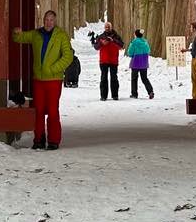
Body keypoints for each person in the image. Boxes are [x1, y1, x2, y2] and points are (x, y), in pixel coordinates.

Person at [12, 11, 75, 150]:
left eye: (51, 20)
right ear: (43, 20)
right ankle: (39, 139)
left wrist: (53, 69)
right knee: (39, 110)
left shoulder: (61, 35)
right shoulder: (36, 34)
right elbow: (20, 38)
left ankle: (53, 140)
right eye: (46, 19)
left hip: (53, 79)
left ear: (55, 21)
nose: (48, 22)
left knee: (52, 110)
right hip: (39, 80)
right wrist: (16, 32)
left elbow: (68, 56)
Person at [89, 22, 124, 101]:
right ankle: (103, 96)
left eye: (108, 27)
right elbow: (96, 47)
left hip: (113, 60)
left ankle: (115, 95)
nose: (107, 28)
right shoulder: (101, 37)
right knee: (103, 78)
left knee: (114, 78)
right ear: (104, 28)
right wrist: (102, 43)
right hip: (103, 60)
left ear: (111, 27)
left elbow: (121, 45)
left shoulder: (116, 36)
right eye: (106, 27)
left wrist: (113, 40)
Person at [126, 29, 153, 99]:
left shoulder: (134, 42)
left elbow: (130, 53)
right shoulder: (145, 42)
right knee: (144, 78)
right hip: (144, 63)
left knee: (134, 79)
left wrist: (133, 55)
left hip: (135, 62)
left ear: (135, 35)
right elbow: (148, 51)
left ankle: (134, 94)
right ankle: (150, 91)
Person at [188, 21, 196, 100]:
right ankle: (195, 96)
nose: (190, 29)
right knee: (194, 79)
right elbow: (195, 48)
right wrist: (187, 50)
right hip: (194, 59)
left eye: (191, 27)